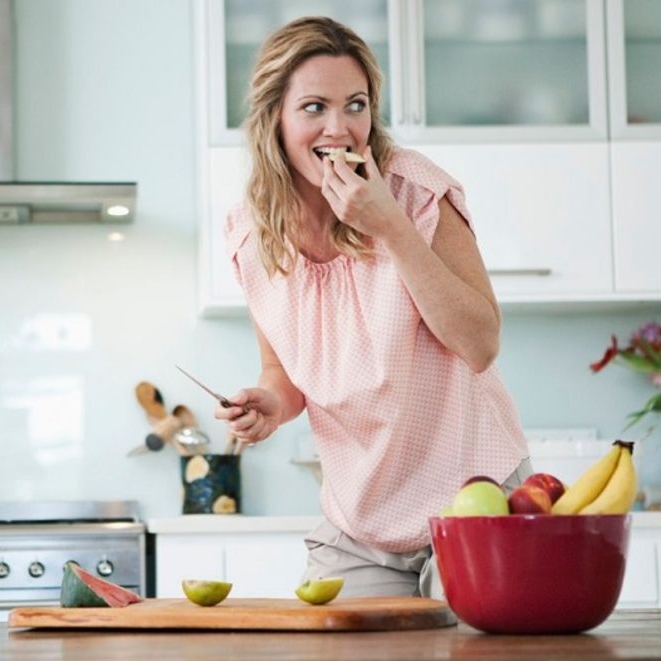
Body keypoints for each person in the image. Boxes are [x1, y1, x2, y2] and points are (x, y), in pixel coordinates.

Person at [214, 16, 531, 599]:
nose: (340, 129)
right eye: (314, 107)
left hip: (473, 498)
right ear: (274, 118)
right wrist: (270, 405)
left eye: (355, 106)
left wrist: (389, 226)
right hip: (359, 527)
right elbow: (282, 373)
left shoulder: (414, 191)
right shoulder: (252, 236)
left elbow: (481, 344)